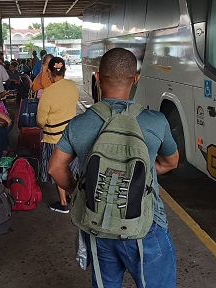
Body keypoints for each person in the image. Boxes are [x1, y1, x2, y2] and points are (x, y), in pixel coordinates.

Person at [48, 48, 180, 287]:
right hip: (146, 224)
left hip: (99, 223)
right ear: (136, 79)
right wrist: (142, 175)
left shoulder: (79, 124)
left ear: (97, 77)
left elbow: (55, 168)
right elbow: (171, 162)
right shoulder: (156, 121)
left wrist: (82, 191)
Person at [37, 57, 80, 213]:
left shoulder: (48, 93)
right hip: (72, 135)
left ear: (49, 71)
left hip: (54, 138)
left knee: (58, 169)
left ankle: (63, 203)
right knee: (70, 168)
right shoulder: (72, 86)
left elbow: (40, 121)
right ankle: (71, 195)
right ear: (64, 70)